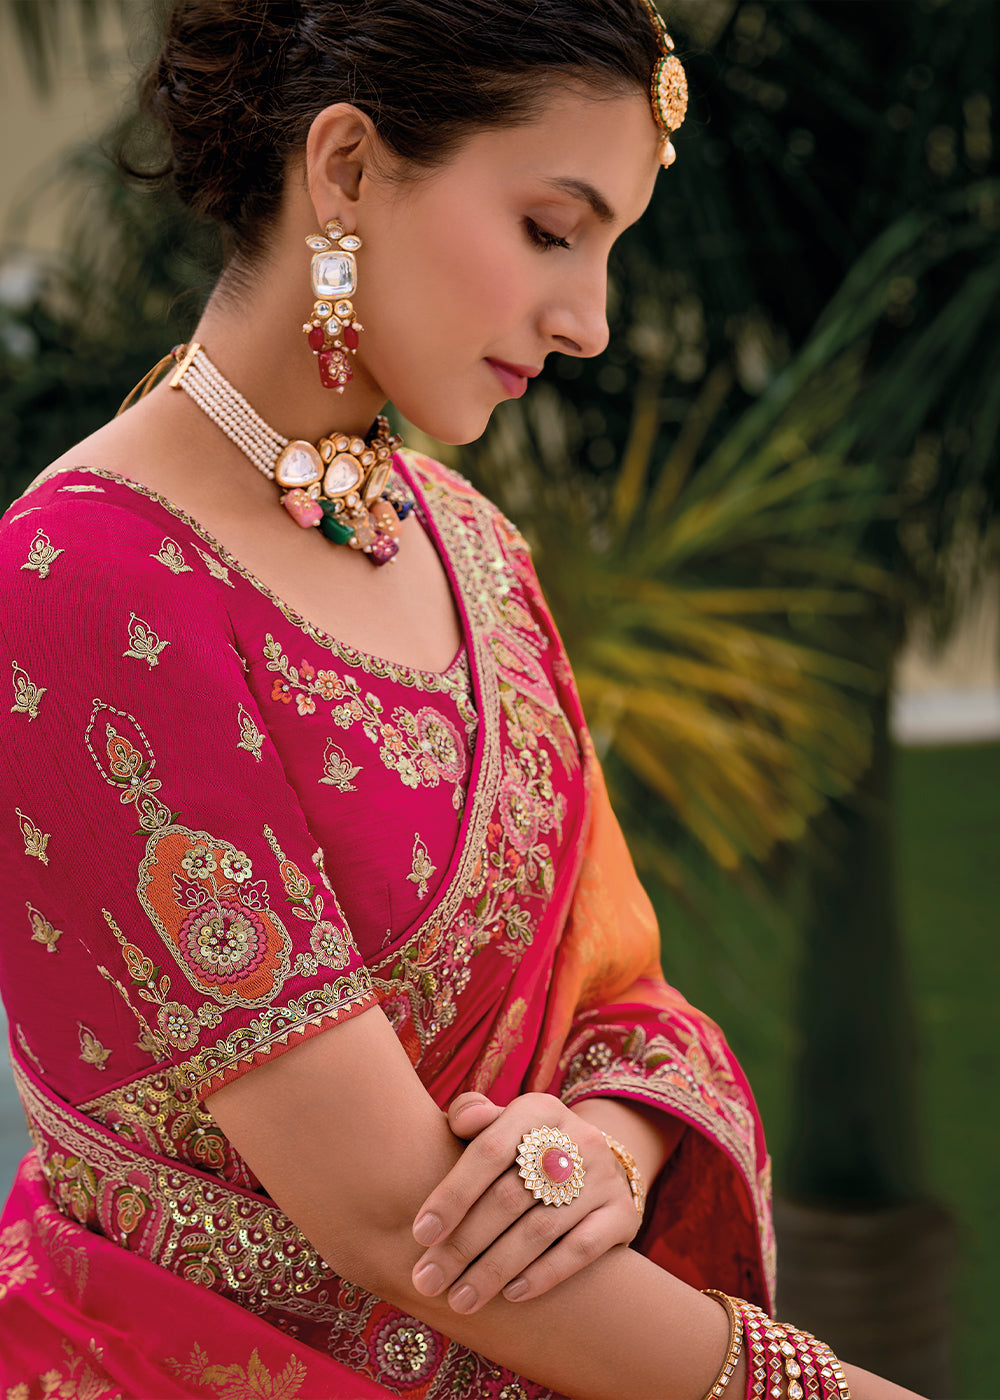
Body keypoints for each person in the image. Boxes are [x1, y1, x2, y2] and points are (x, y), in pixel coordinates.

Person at [0, 2, 925, 1397]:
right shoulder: (81, 586)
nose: (590, 322)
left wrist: (596, 1155)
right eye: (554, 231)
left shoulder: (465, 541)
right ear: (349, 169)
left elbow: (630, 1010)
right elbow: (393, 1219)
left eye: (610, 252)